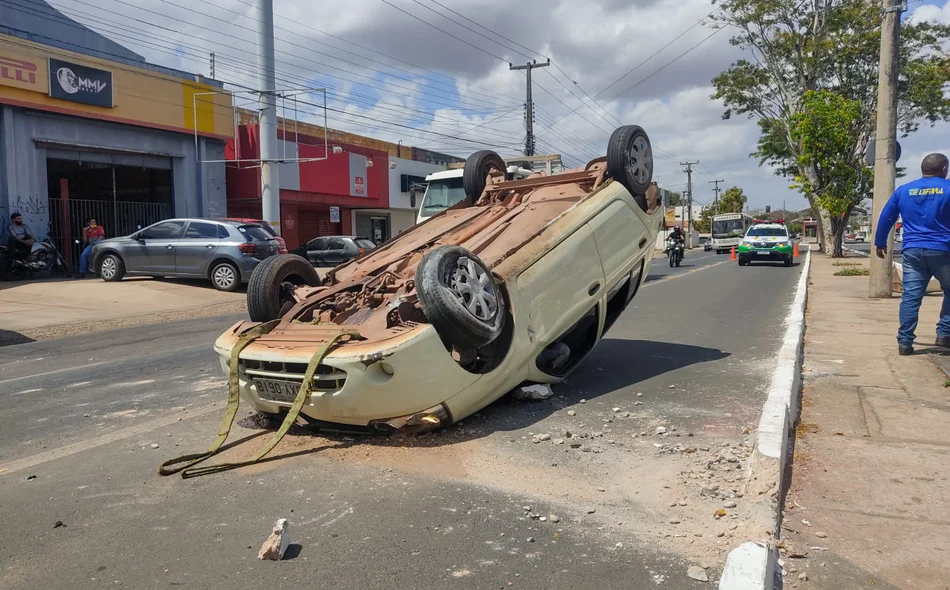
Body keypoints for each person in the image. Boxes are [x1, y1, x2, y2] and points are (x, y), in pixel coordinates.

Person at [875, 153, 950, 356]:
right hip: (943, 250)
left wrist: (879, 242)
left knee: (911, 297)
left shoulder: (905, 190)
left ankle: (905, 343)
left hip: (912, 251)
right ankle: (944, 333)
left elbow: (886, 216)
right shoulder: (948, 188)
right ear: (944, 169)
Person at [1, 213, 34, 280]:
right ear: (13, 220)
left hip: (25, 242)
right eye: (19, 219)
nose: (20, 220)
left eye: (21, 218)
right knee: (12, 238)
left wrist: (32, 240)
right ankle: (12, 255)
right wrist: (24, 242)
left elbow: (29, 234)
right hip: (17, 243)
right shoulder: (11, 227)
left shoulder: (24, 226)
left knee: (28, 237)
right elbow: (15, 237)